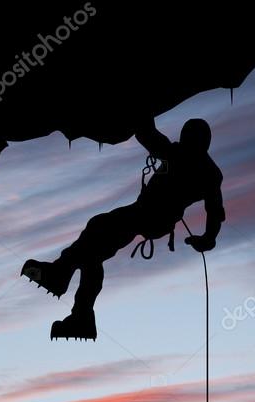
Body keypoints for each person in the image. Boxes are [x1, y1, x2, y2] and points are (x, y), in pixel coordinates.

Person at [22, 117, 225, 340]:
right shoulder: (206, 171)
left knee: (99, 227)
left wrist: (141, 109)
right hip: (151, 217)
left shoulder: (182, 158)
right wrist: (207, 238)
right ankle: (81, 315)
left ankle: (61, 278)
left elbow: (148, 134)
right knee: (93, 250)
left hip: (150, 215)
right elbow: (214, 211)